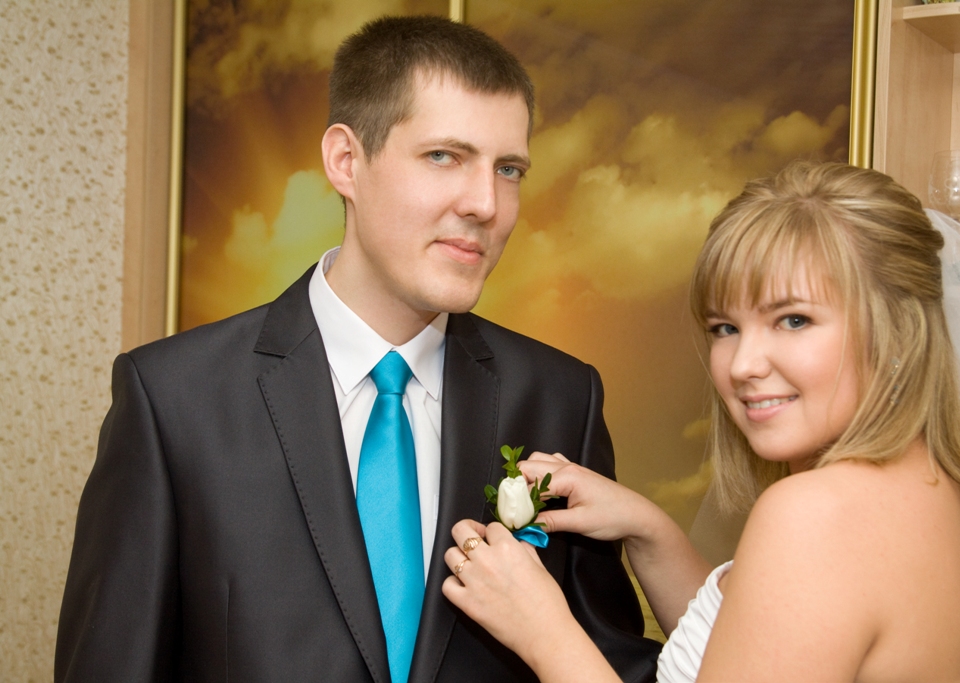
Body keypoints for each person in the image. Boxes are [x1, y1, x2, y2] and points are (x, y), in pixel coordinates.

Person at [55, 15, 660, 682]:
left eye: (509, 168)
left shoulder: (561, 398)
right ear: (346, 161)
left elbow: (611, 662)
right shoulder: (172, 400)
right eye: (444, 156)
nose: (486, 203)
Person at [440, 162, 960, 682]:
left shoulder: (815, 516)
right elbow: (771, 646)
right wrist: (649, 529)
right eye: (725, 328)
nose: (743, 365)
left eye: (793, 320)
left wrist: (544, 631)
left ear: (898, 331)